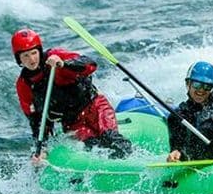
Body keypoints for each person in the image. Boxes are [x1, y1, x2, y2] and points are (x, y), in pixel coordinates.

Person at [12, 28, 132, 160]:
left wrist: (64, 64)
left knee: (112, 140)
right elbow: (36, 121)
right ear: (19, 59)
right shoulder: (24, 84)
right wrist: (41, 149)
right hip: (73, 123)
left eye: (34, 53)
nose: (32, 59)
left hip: (95, 108)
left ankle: (135, 161)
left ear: (39, 51)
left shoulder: (55, 57)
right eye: (25, 56)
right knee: (94, 148)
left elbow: (90, 64)